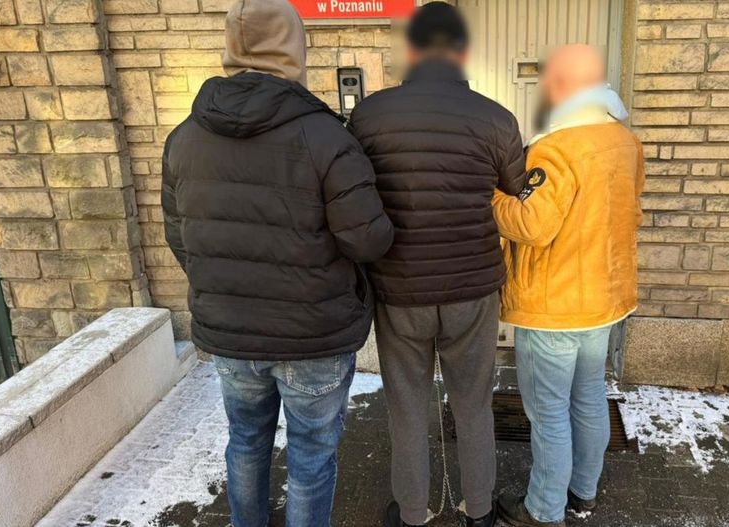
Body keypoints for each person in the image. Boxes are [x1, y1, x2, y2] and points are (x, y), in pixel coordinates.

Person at [161, 0, 393, 525]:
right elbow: (368, 241)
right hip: (314, 335)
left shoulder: (184, 138)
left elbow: (180, 236)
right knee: (311, 458)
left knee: (245, 442)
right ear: (294, 50)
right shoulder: (328, 137)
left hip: (232, 333)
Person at [348, 3, 526, 526]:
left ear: (412, 49)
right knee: (473, 402)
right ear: (461, 50)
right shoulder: (496, 118)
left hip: (399, 288)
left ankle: (412, 511)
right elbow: (516, 189)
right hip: (472, 287)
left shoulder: (369, 116)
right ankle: (479, 509)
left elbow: (352, 193)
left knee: (406, 405)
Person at [491, 44, 644, 527]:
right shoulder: (624, 141)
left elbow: (531, 224)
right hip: (604, 298)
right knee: (589, 396)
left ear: (561, 84)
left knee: (549, 412)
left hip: (554, 305)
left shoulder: (557, 147)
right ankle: (583, 492)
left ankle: (542, 509)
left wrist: (493, 196)